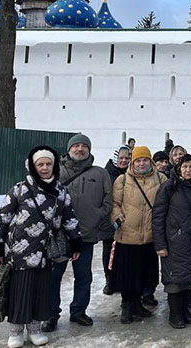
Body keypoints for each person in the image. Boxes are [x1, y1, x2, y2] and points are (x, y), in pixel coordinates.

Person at [0, 146, 82, 348]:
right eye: (40, 164)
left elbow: (69, 219)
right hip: (19, 253)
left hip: (45, 253)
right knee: (19, 291)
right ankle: (15, 331)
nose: (45, 168)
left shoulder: (62, 192)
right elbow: (2, 219)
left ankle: (34, 329)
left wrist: (76, 243)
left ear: (54, 166)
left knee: (40, 292)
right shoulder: (20, 189)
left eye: (48, 164)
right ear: (32, 166)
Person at [45, 134, 112, 331]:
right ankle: (51, 314)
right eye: (76, 146)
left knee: (83, 276)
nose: (80, 149)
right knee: (54, 276)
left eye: (84, 146)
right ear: (69, 149)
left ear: (90, 150)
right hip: (59, 235)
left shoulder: (99, 174)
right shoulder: (55, 171)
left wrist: (96, 217)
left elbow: (108, 200)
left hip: (85, 234)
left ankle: (78, 311)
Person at [153, 154, 191, 328]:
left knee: (189, 277)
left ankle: (185, 311)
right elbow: (157, 217)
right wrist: (160, 244)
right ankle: (175, 314)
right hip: (175, 241)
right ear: (178, 168)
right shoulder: (169, 187)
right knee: (175, 280)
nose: (188, 170)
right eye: (184, 167)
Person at [110, 146, 164, 324]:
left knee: (144, 272)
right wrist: (118, 217)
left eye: (145, 160)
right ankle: (127, 305)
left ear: (150, 161)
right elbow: (115, 203)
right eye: (138, 160)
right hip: (128, 235)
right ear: (133, 162)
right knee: (127, 274)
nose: (142, 163)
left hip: (149, 235)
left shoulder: (160, 178)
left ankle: (138, 303)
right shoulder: (122, 180)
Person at [102, 145, 130, 296]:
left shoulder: (132, 174)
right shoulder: (107, 174)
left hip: (128, 219)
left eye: (127, 158)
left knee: (123, 252)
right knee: (108, 251)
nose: (124, 161)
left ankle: (120, 281)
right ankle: (109, 281)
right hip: (109, 219)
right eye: (121, 158)